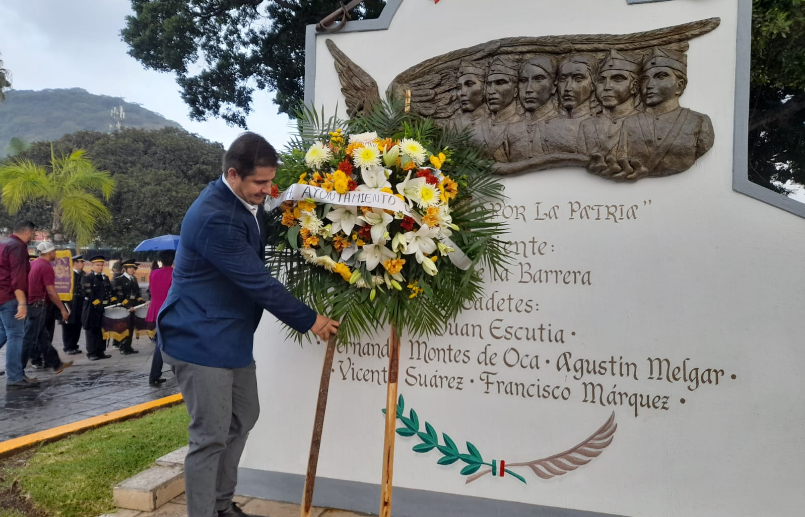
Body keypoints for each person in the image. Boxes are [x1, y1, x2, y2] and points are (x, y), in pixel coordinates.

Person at [157, 132, 339, 517]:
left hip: (230, 337)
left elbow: (265, 227)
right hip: (199, 338)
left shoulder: (239, 200)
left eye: (271, 181)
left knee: (243, 417)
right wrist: (311, 320)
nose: (267, 190)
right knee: (209, 437)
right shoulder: (215, 217)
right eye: (260, 182)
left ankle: (222, 505)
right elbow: (257, 282)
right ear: (234, 174)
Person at [21, 242, 72, 374]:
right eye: (54, 251)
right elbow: (51, 291)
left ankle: (56, 364)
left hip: (31, 305)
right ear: (49, 252)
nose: (55, 253)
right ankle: (17, 371)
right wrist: (62, 308)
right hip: (38, 306)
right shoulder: (46, 267)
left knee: (42, 337)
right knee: (29, 339)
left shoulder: (33, 264)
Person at [0, 221, 37, 389]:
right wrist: (22, 302)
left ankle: (17, 375)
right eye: (33, 233)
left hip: (2, 296)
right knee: (16, 335)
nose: (34, 236)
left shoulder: (3, 244)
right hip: (10, 297)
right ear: (28, 232)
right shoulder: (18, 246)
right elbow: (18, 278)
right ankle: (15, 377)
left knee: (3, 333)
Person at [146, 250, 173, 386]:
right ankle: (155, 374)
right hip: (168, 310)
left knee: (161, 341)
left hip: (155, 309)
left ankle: (156, 374)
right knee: (161, 343)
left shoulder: (154, 273)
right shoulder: (174, 273)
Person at [81, 255, 112, 361]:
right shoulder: (87, 277)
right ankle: (91, 353)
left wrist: (107, 302)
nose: (100, 267)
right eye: (97, 265)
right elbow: (87, 293)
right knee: (91, 331)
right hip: (91, 309)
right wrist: (99, 303)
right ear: (92, 265)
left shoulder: (105, 277)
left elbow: (109, 292)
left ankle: (100, 351)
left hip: (103, 309)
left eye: (102, 265)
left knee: (101, 330)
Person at [112, 258, 143, 355]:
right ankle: (123, 347)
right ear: (125, 269)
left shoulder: (133, 279)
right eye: (130, 268)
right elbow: (119, 296)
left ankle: (128, 346)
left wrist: (142, 302)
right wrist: (128, 306)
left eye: (134, 268)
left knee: (130, 327)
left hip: (133, 308)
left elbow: (137, 294)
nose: (133, 270)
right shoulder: (119, 280)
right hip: (124, 307)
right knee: (123, 327)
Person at [61, 254, 85, 355]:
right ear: (75, 263)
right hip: (70, 303)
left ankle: (74, 345)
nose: (83, 264)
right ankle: (68, 347)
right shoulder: (68, 275)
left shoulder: (82, 274)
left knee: (77, 325)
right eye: (81, 262)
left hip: (80, 303)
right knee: (68, 326)